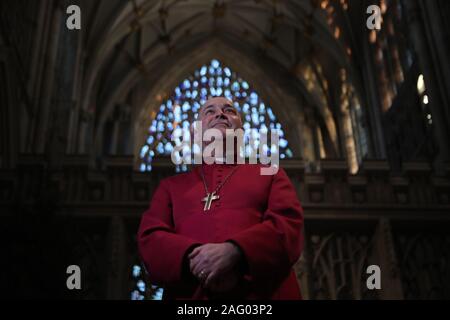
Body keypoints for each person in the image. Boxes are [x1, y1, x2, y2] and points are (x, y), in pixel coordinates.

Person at [137, 97, 304, 299]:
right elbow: (150, 239)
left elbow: (288, 226)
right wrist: (196, 261)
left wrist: (237, 252)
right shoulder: (171, 187)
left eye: (229, 110)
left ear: (241, 132)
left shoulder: (269, 173)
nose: (220, 114)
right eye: (209, 111)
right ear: (195, 134)